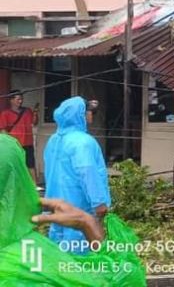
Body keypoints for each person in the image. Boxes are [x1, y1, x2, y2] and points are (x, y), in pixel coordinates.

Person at [0, 133, 147, 285]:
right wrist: (88, 220)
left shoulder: (53, 140)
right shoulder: (84, 142)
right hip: (68, 212)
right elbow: (124, 278)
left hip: (53, 216)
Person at [43, 96, 110, 254]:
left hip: (58, 206)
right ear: (80, 115)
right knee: (80, 252)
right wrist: (99, 202)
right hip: (79, 207)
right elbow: (88, 173)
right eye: (88, 111)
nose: (91, 115)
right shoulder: (83, 142)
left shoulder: (53, 140)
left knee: (59, 252)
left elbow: (49, 172)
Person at [0, 91, 37, 183]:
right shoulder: (5, 113)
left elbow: (34, 122)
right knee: (14, 165)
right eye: (18, 99)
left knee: (30, 165)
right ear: (11, 100)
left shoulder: (27, 111)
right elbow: (3, 130)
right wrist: (9, 143)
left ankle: (35, 186)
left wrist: (36, 113)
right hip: (14, 144)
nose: (20, 101)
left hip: (28, 143)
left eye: (21, 99)